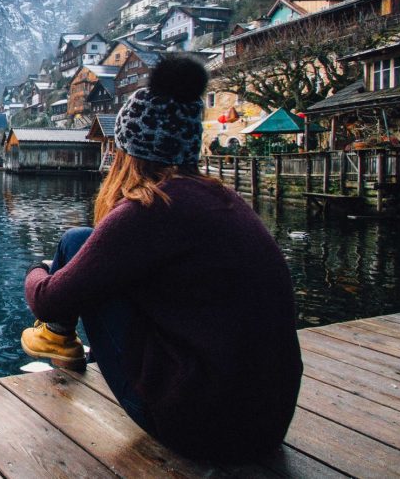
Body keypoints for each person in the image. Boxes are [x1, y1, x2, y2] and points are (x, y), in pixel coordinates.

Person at [21, 55, 303, 461]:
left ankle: (57, 336)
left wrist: (38, 270)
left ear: (129, 151)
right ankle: (59, 335)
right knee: (82, 240)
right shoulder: (222, 200)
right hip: (268, 420)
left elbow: (46, 297)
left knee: (77, 261)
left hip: (201, 427)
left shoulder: (148, 209)